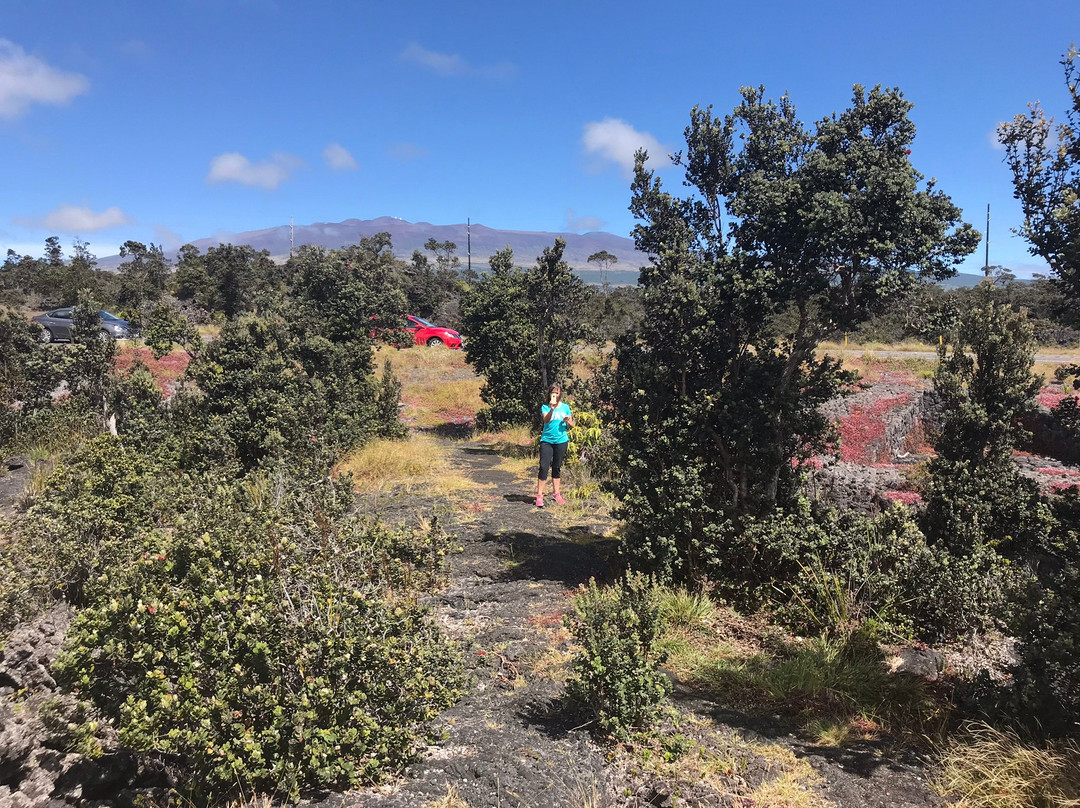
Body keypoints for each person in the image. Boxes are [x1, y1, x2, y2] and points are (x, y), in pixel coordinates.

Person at [536, 383, 574, 507]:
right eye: (553, 393)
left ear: (560, 394)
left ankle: (556, 493)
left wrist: (568, 421)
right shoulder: (545, 407)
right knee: (543, 466)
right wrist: (552, 409)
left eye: (557, 393)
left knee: (557, 467)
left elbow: (572, 425)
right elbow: (546, 420)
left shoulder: (565, 407)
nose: (555, 395)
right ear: (550, 394)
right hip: (547, 440)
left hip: (561, 440)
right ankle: (539, 495)